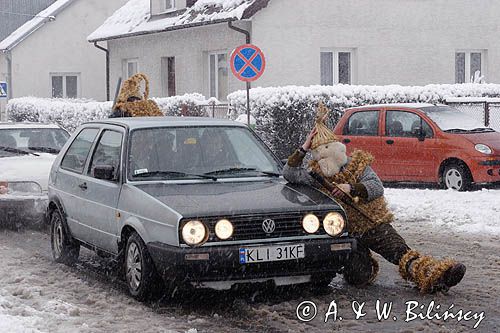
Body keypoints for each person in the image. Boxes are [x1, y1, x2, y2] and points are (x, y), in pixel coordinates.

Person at [283, 102, 466, 293]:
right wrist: (304, 147)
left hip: (373, 224)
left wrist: (351, 188)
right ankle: (366, 266)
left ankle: (433, 275)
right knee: (358, 278)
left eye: (326, 150)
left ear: (337, 149)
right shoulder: (315, 175)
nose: (323, 158)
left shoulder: (358, 165)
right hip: (348, 234)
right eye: (318, 154)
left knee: (400, 253)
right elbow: (288, 172)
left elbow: (376, 187)